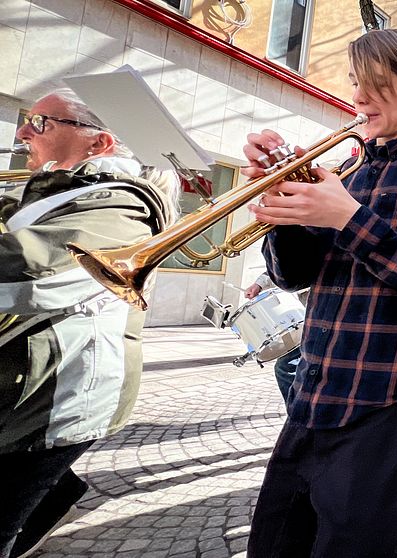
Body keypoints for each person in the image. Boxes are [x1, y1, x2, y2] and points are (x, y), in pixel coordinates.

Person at [241, 29, 397, 557]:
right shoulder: (345, 172)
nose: (360, 97)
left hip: (385, 404)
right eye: (356, 83)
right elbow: (291, 274)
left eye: (377, 84)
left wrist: (349, 219)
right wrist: (285, 207)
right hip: (312, 395)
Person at [0, 89, 177, 558]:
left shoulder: (121, 203)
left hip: (60, 390)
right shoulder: (49, 189)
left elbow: (28, 270)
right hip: (24, 380)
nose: (22, 134)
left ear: (98, 144)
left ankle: (50, 495)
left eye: (42, 124)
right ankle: (55, 496)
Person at [243, 272, 305, 405]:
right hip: (308, 316)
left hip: (325, 317)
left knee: (286, 367)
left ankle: (299, 415)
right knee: (287, 367)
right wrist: (258, 285)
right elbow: (284, 268)